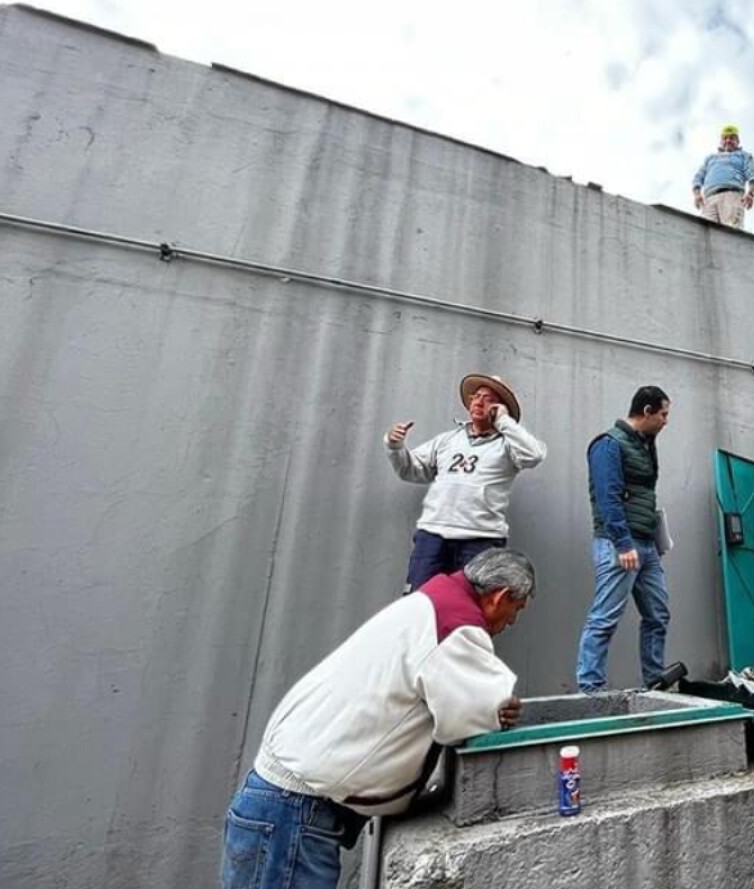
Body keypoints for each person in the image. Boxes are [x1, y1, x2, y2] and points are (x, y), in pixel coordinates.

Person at [219, 548, 534, 889]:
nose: (511, 623)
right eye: (516, 610)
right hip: (293, 811)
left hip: (283, 804)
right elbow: (483, 708)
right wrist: (500, 707)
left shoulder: (430, 601)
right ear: (499, 596)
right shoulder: (454, 624)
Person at [385, 373, 546, 591]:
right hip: (433, 534)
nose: (479, 402)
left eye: (488, 399)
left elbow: (534, 455)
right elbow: (411, 470)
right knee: (421, 600)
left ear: (500, 408)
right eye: (476, 396)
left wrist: (504, 421)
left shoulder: (507, 445)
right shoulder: (447, 440)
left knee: (471, 603)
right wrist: (395, 447)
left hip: (481, 539)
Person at [575, 386, 673, 691]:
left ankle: (655, 684)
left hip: (646, 545)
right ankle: (590, 688)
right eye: (663, 414)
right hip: (620, 545)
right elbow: (608, 497)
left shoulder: (644, 444)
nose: (666, 421)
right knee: (605, 617)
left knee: (658, 614)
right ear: (647, 411)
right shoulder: (608, 445)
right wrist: (623, 543)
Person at [691, 123, 754, 229]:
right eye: (725, 138)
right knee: (706, 230)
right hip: (710, 198)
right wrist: (697, 194)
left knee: (731, 229)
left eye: (732, 138)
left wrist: (751, 193)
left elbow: (752, 174)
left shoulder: (744, 156)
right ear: (721, 141)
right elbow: (698, 177)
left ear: (737, 141)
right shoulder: (710, 158)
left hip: (732, 195)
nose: (728, 140)